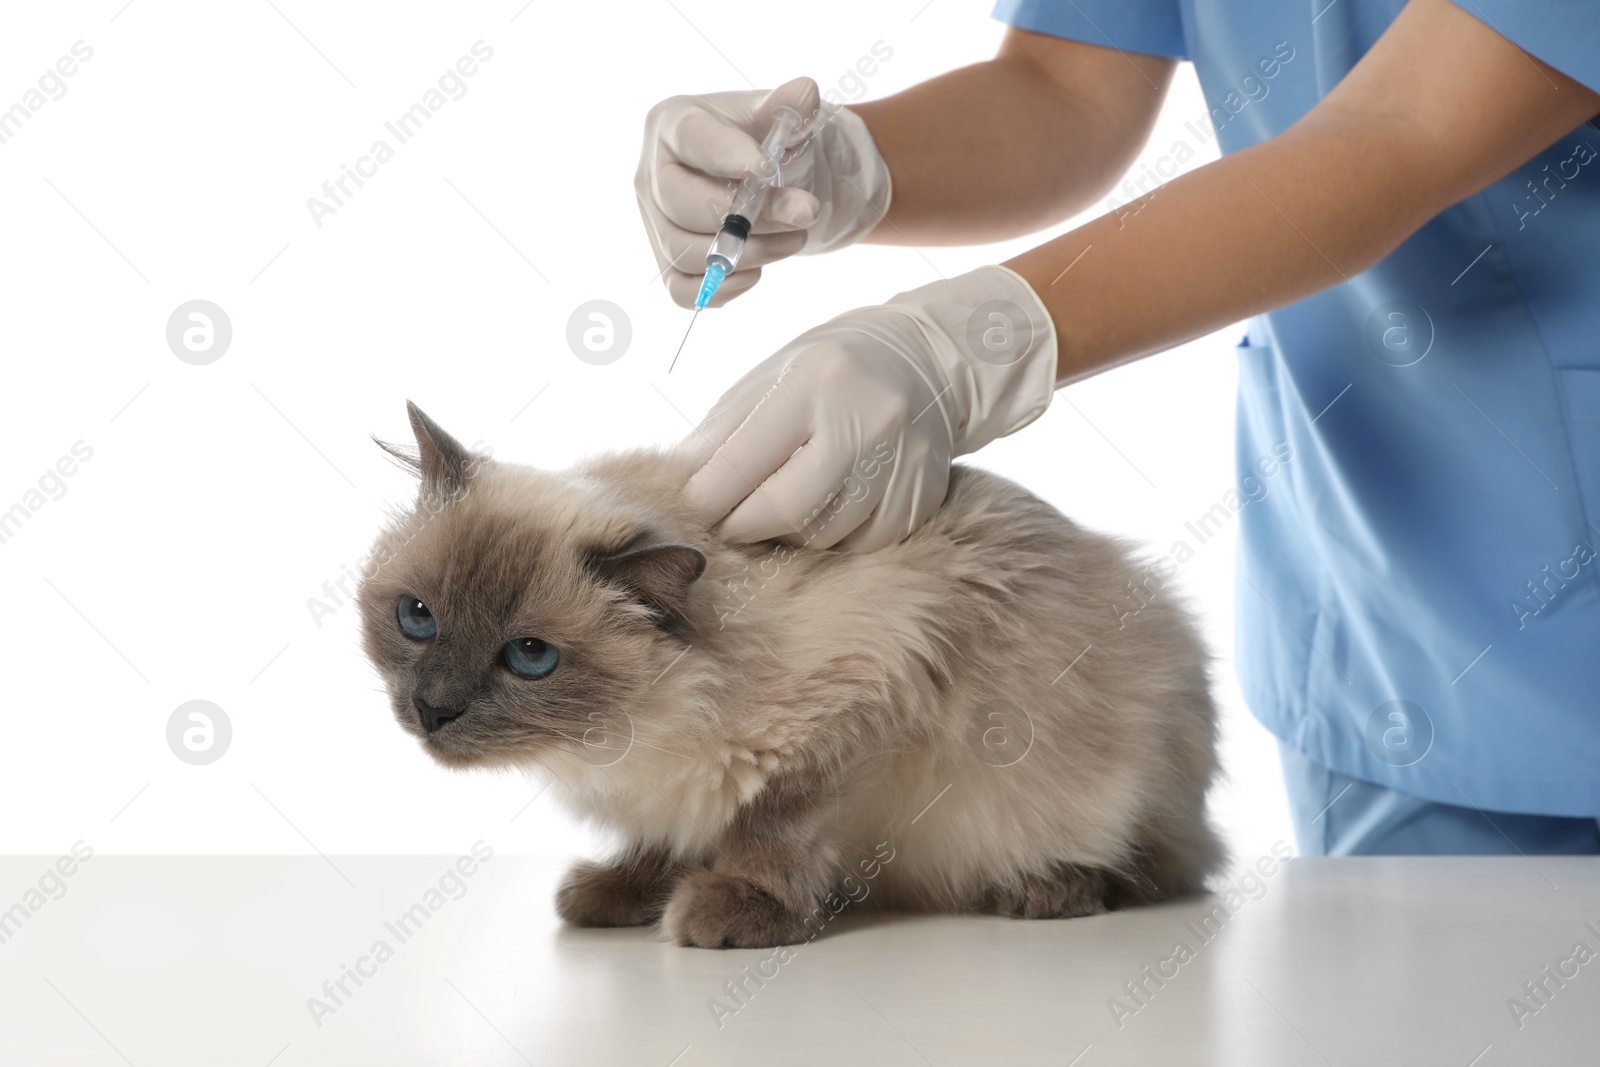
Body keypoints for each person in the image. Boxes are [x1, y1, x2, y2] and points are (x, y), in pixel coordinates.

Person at [635, 0, 1600, 857]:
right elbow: (1066, 84)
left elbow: (1402, 126)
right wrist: (845, 163)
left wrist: (972, 344)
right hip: (1373, 597)